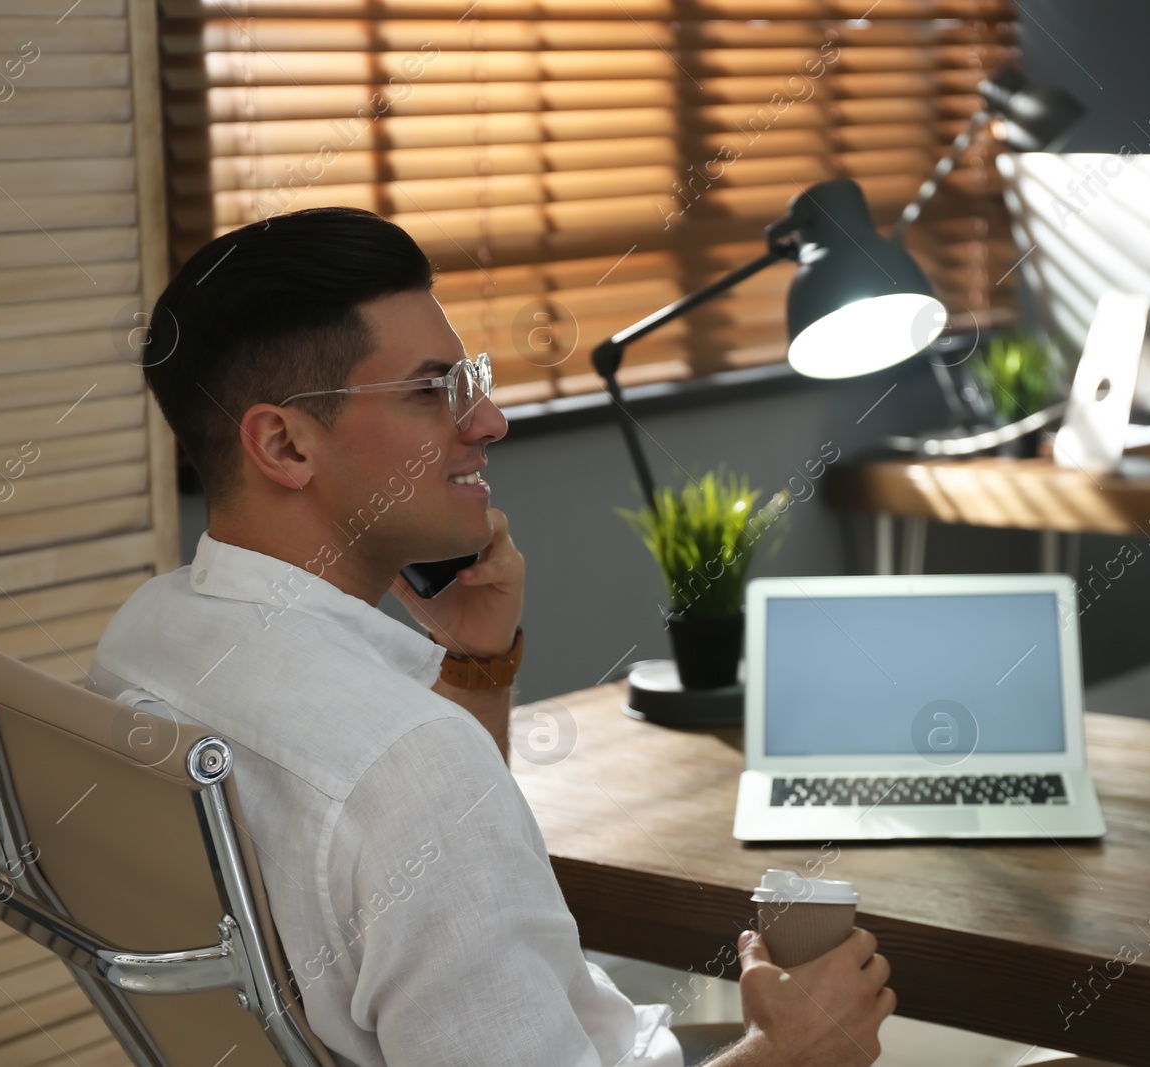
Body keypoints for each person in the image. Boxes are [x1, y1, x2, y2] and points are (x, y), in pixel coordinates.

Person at [87, 208, 895, 1066]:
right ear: (284, 444)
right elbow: (409, 803)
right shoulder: (408, 767)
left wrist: (477, 669)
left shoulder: (148, 638)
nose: (488, 421)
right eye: (431, 391)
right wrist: (788, 1051)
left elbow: (414, 895)